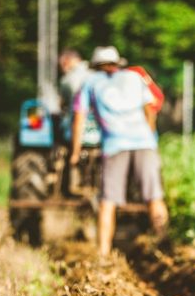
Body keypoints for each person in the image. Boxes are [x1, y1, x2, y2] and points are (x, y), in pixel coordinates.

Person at [70, 46, 169, 256]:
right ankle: (163, 246)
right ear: (118, 63)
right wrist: (150, 136)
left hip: (115, 146)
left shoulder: (90, 83)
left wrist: (75, 152)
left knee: (108, 201)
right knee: (154, 197)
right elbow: (151, 108)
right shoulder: (134, 78)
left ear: (95, 66)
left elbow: (79, 117)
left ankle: (103, 254)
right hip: (145, 143)